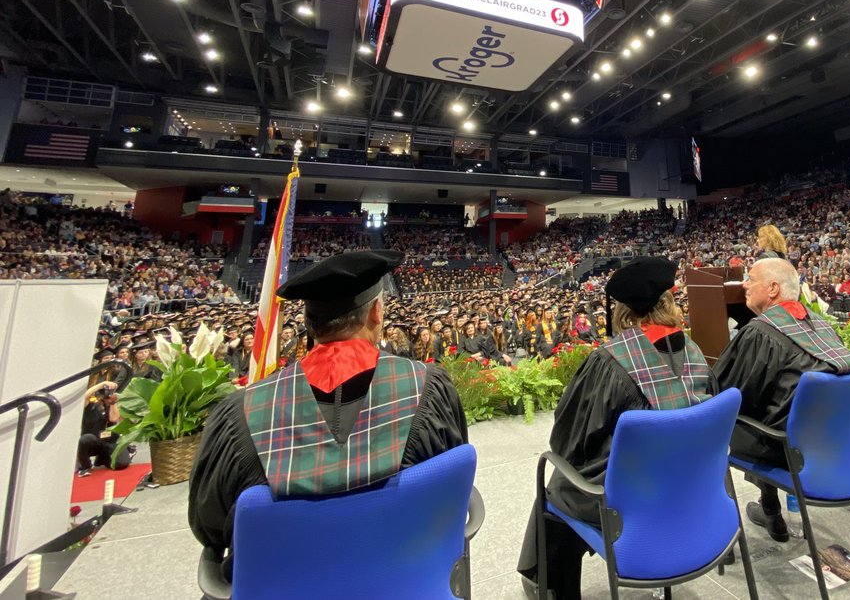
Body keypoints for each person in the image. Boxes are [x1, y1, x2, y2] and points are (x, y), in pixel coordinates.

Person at [188, 251, 469, 580]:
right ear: (376, 313)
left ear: (309, 322)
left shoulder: (240, 413)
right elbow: (450, 490)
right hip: (408, 580)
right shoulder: (428, 389)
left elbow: (209, 527)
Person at [516, 257, 715, 599]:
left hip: (632, 500)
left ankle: (550, 583)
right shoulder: (697, 353)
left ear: (622, 314)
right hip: (689, 484)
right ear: (668, 304)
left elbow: (566, 440)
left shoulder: (611, 360)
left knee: (559, 482)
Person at [713, 258, 850, 542]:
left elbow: (725, 393)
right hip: (831, 440)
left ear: (773, 288)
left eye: (751, 279)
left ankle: (732, 529)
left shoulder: (761, 333)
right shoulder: (819, 323)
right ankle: (769, 508)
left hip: (784, 447)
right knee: (770, 406)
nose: (744, 284)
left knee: (718, 423)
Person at [77, 380, 132, 475]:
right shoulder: (90, 404)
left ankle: (103, 458)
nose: (107, 396)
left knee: (121, 464)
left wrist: (113, 403)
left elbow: (114, 419)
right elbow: (86, 395)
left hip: (109, 440)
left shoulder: (112, 404)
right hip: (93, 441)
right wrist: (103, 384)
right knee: (84, 439)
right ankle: (85, 466)